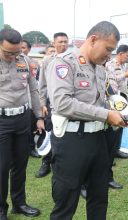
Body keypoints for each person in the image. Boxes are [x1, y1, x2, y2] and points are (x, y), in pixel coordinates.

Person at [46, 21, 128, 220]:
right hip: (71, 140)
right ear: (93, 39)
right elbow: (62, 103)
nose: (109, 55)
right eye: (108, 49)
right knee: (66, 201)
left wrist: (120, 115)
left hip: (97, 139)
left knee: (99, 196)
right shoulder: (64, 62)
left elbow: (101, 102)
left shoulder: (101, 69)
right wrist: (106, 115)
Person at [0, 28, 45, 219]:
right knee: (2, 167)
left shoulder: (24, 60)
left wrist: (39, 117)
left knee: (20, 164)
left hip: (23, 119)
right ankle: (1, 208)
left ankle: (19, 203)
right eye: (8, 52)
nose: (13, 56)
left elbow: (34, 90)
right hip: (1, 121)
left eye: (16, 52)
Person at [36, 32, 69, 178]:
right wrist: (42, 103)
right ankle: (46, 162)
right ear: (53, 43)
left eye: (65, 42)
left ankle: (64, 163)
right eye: (60, 42)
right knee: (50, 132)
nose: (63, 45)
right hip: (51, 104)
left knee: (68, 134)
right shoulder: (48, 61)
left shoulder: (72, 60)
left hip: (69, 104)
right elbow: (41, 85)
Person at [105, 45, 128, 159]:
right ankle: (109, 153)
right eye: (127, 55)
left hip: (124, 99)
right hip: (114, 100)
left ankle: (116, 149)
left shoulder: (124, 65)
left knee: (121, 126)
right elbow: (110, 82)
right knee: (113, 128)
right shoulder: (110, 65)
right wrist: (125, 75)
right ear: (120, 53)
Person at [20, 39, 42, 158]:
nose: (21, 50)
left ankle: (31, 148)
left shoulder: (34, 64)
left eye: (24, 48)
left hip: (31, 99)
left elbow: (36, 83)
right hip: (18, 102)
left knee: (31, 127)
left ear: (29, 49)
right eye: (20, 47)